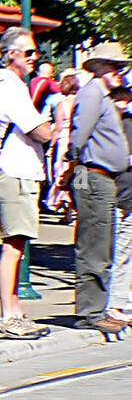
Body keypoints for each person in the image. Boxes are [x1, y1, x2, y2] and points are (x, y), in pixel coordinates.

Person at [0, 28, 55, 339]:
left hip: (17, 170)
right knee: (13, 246)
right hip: (17, 171)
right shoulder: (9, 88)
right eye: (29, 53)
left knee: (18, 244)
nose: (34, 58)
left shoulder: (5, 85)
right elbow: (41, 131)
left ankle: (15, 312)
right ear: (12, 54)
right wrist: (53, 120)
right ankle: (8, 316)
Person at [64, 42, 131, 334]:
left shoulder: (99, 94)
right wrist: (74, 168)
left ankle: (97, 309)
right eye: (114, 66)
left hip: (100, 177)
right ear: (99, 66)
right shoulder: (93, 93)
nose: (120, 72)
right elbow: (79, 137)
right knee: (95, 246)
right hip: (95, 177)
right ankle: (90, 312)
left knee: (102, 244)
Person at [107, 86, 132, 325]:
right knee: (115, 253)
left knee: (125, 253)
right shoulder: (103, 126)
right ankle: (112, 304)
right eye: (118, 98)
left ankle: (121, 303)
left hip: (128, 197)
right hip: (110, 197)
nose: (123, 102)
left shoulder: (128, 124)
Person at [43, 69, 79, 215]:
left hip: (64, 140)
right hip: (77, 138)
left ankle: (62, 204)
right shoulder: (81, 101)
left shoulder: (61, 104)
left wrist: (51, 146)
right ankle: (73, 207)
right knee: (78, 172)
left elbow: (57, 128)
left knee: (61, 172)